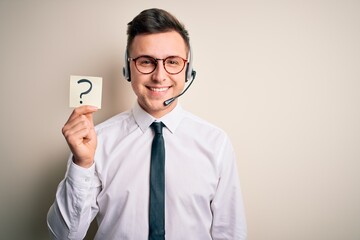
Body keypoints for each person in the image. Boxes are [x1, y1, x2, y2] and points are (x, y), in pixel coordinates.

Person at [47, 8, 247, 240]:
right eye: (146, 62)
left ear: (188, 69)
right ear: (128, 67)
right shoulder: (97, 141)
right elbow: (63, 236)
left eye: (172, 62)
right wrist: (82, 163)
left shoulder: (216, 143)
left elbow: (230, 233)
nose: (159, 76)